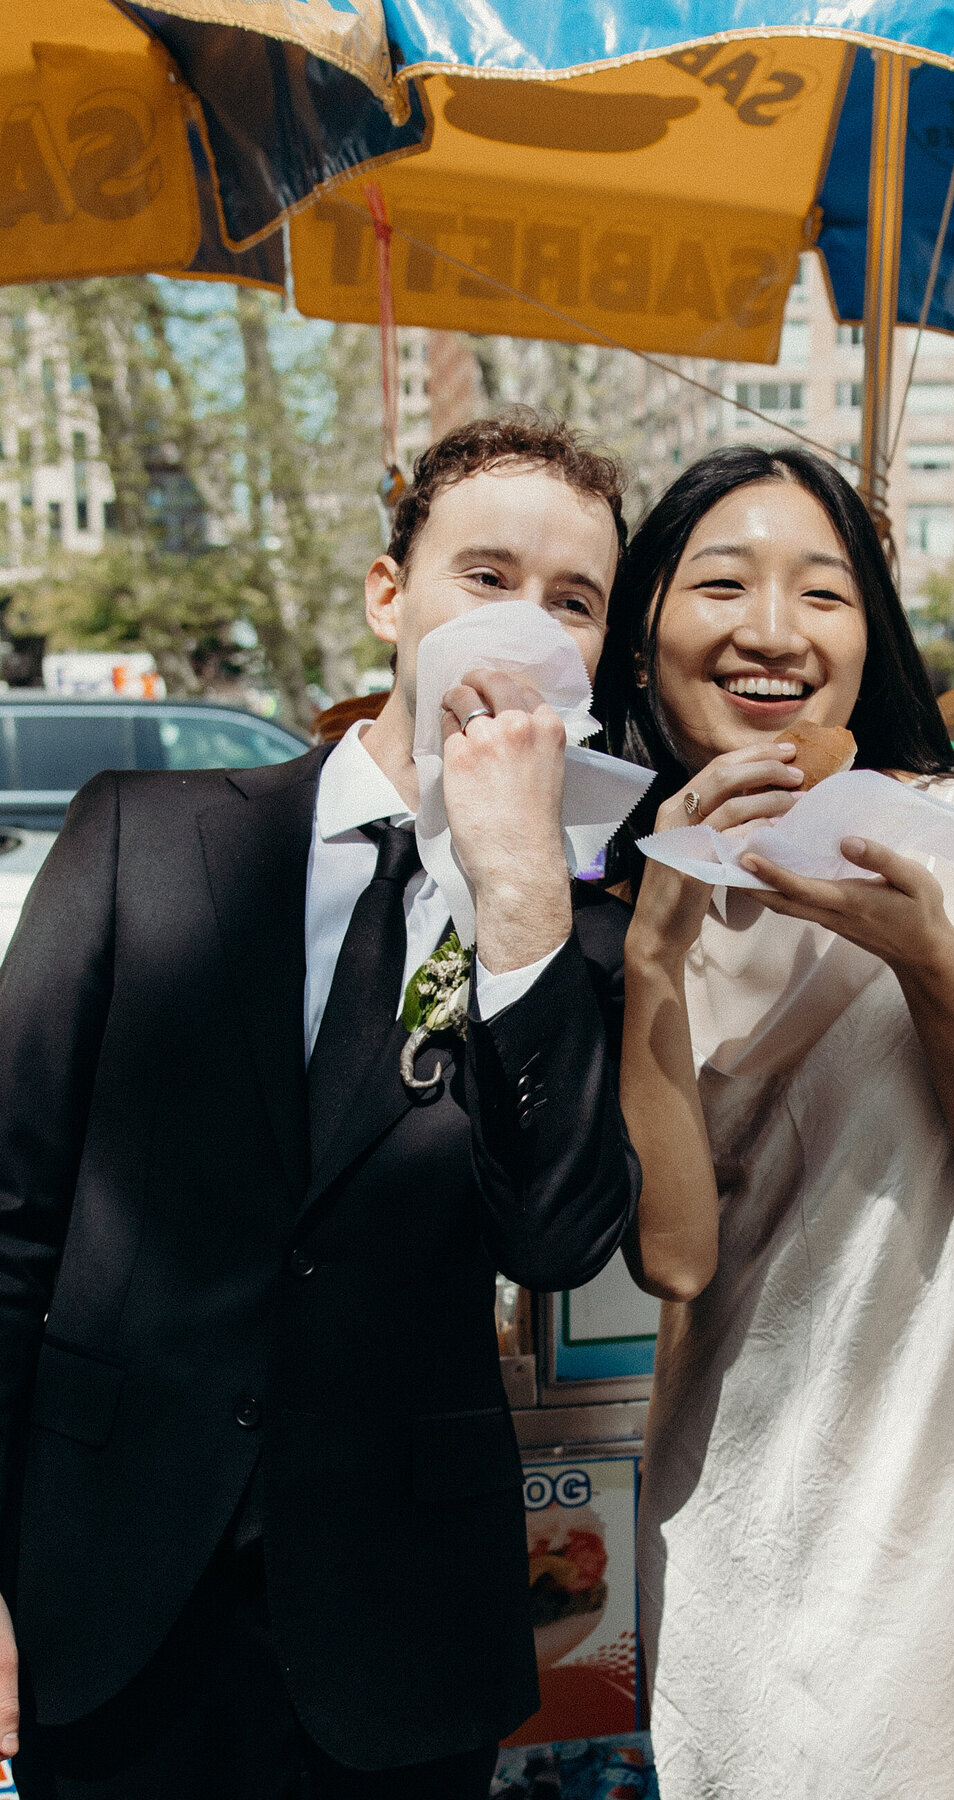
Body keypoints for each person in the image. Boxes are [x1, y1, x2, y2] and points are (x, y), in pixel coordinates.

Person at [0, 411, 641, 1800]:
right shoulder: (145, 837)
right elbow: (9, 1219)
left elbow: (558, 1239)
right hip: (110, 1597)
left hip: (395, 1635)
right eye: (487, 576)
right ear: (388, 593)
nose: (527, 624)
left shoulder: (583, 935)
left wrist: (525, 881)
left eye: (573, 600)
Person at [596, 445, 954, 1799]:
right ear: (646, 621)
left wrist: (938, 974)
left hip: (945, 1515)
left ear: (867, 629)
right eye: (722, 582)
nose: (773, 629)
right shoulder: (605, 889)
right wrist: (651, 962)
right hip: (733, 1509)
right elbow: (678, 1261)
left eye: (822, 592)